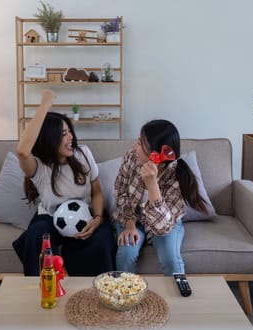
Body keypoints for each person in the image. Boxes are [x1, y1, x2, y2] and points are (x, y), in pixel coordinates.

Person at [12, 90, 115, 276]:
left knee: (103, 240)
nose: (71, 138)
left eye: (69, 132)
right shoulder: (39, 167)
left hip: (86, 215)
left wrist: (98, 218)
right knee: (34, 237)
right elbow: (22, 151)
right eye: (63, 134)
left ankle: (93, 290)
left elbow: (97, 192)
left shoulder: (83, 153)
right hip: (50, 218)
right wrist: (45, 105)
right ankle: (41, 289)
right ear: (50, 139)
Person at [113, 119, 208, 275]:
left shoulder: (176, 176)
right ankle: (127, 297)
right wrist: (129, 224)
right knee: (126, 254)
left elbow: (163, 227)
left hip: (165, 224)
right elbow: (120, 191)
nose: (134, 147)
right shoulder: (131, 158)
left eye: (139, 144)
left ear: (155, 156)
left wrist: (151, 183)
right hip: (133, 219)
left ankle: (176, 298)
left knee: (171, 260)